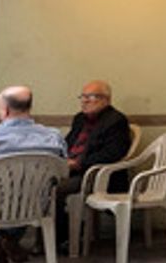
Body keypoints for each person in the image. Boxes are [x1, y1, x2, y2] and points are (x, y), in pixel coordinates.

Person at [0, 87, 67, 263]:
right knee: (20, 198)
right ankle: (6, 241)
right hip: (35, 206)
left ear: (5, 110)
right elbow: (61, 173)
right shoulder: (53, 137)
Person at [57, 80, 133, 239]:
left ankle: (62, 237)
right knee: (38, 184)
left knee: (53, 189)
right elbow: (67, 144)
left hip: (93, 174)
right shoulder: (79, 119)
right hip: (69, 169)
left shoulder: (116, 120)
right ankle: (47, 238)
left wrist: (78, 164)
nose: (84, 101)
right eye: (82, 97)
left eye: (90, 97)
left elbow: (113, 153)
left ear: (106, 100)